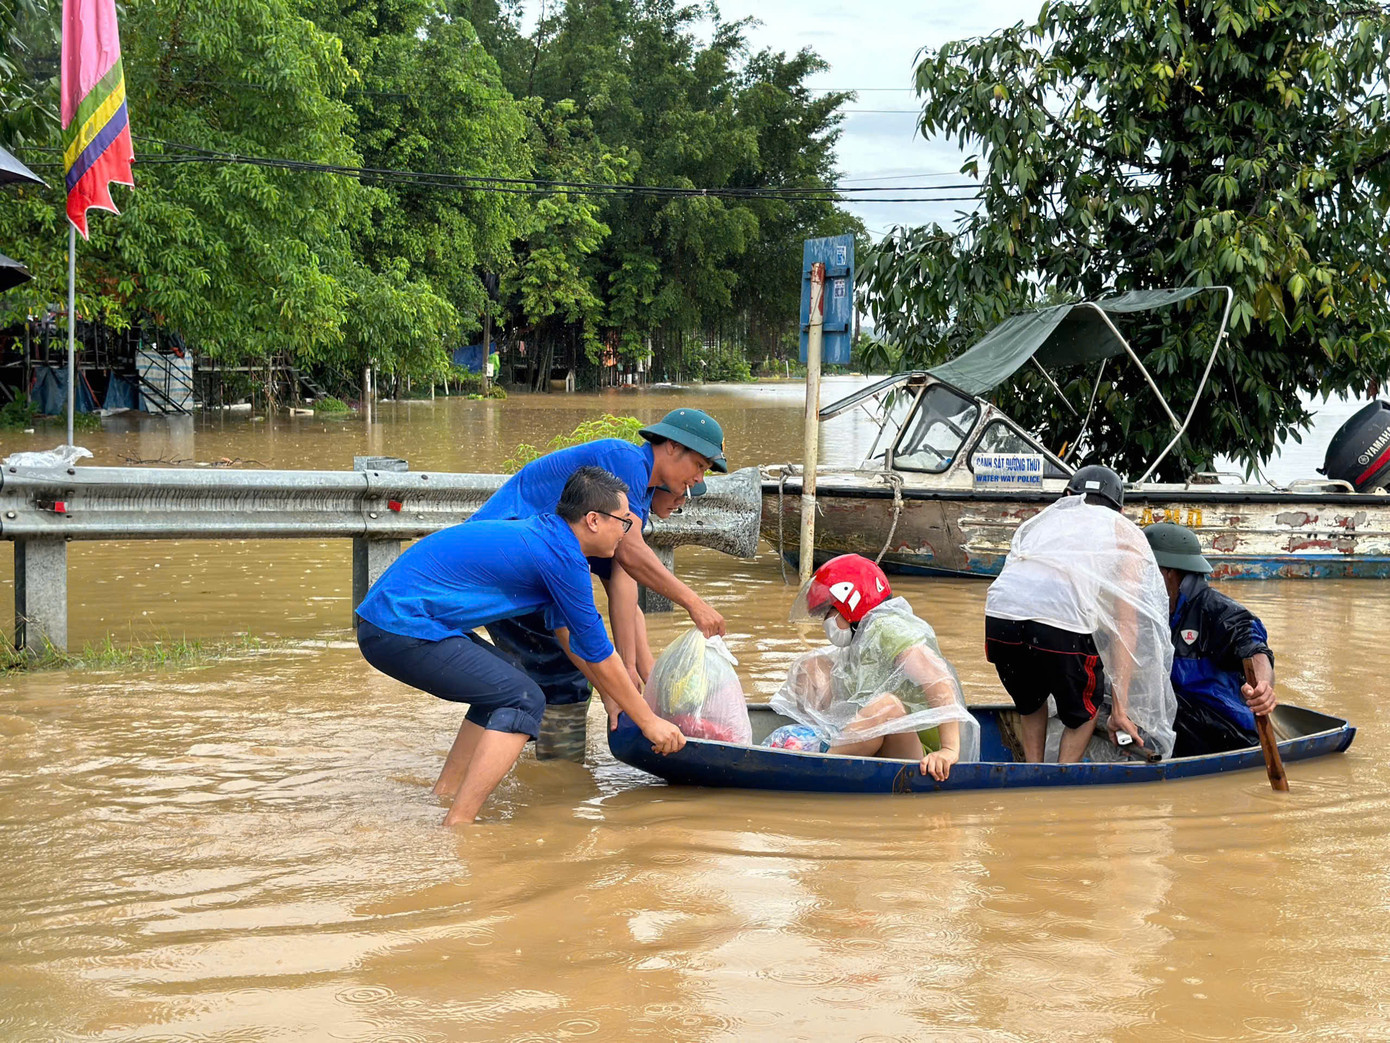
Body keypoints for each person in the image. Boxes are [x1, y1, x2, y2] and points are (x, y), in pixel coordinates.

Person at [356, 467, 685, 825]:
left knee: (508, 681)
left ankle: (445, 795)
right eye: (623, 521)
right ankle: (458, 825)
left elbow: (573, 638)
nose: (627, 532)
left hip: (392, 621)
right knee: (524, 698)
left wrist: (613, 698)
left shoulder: (551, 537)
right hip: (397, 625)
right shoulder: (562, 557)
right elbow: (600, 651)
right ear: (593, 520)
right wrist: (649, 721)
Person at [471, 408, 730, 727]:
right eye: (699, 465)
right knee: (563, 677)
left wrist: (632, 670)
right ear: (673, 446)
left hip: (529, 567)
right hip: (505, 561)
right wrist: (694, 604)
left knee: (554, 680)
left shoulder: (637, 496)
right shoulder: (626, 462)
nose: (699, 479)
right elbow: (631, 554)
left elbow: (625, 584)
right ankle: (552, 755)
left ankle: (538, 751)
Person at [984, 465, 1177, 763]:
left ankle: (1033, 773)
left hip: (999, 622)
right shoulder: (1122, 530)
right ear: (1120, 510)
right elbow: (1126, 623)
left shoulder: (1042, 521)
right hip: (1058, 627)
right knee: (1087, 712)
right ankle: (1062, 781)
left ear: (1067, 496)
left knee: (1031, 702)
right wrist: (1120, 710)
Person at [767, 554, 980, 781]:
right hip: (871, 741)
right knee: (811, 666)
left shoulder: (888, 628)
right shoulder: (861, 638)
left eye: (828, 612)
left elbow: (939, 680)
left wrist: (948, 750)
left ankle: (819, 767)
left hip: (922, 758)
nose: (825, 622)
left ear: (851, 604)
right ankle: (819, 740)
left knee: (887, 707)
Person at [1144, 522, 1276, 756]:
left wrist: (1263, 688)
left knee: (1160, 702)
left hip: (1225, 727)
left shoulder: (1219, 611)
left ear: (1169, 572)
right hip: (1178, 720)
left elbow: (1254, 648)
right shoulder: (1149, 610)